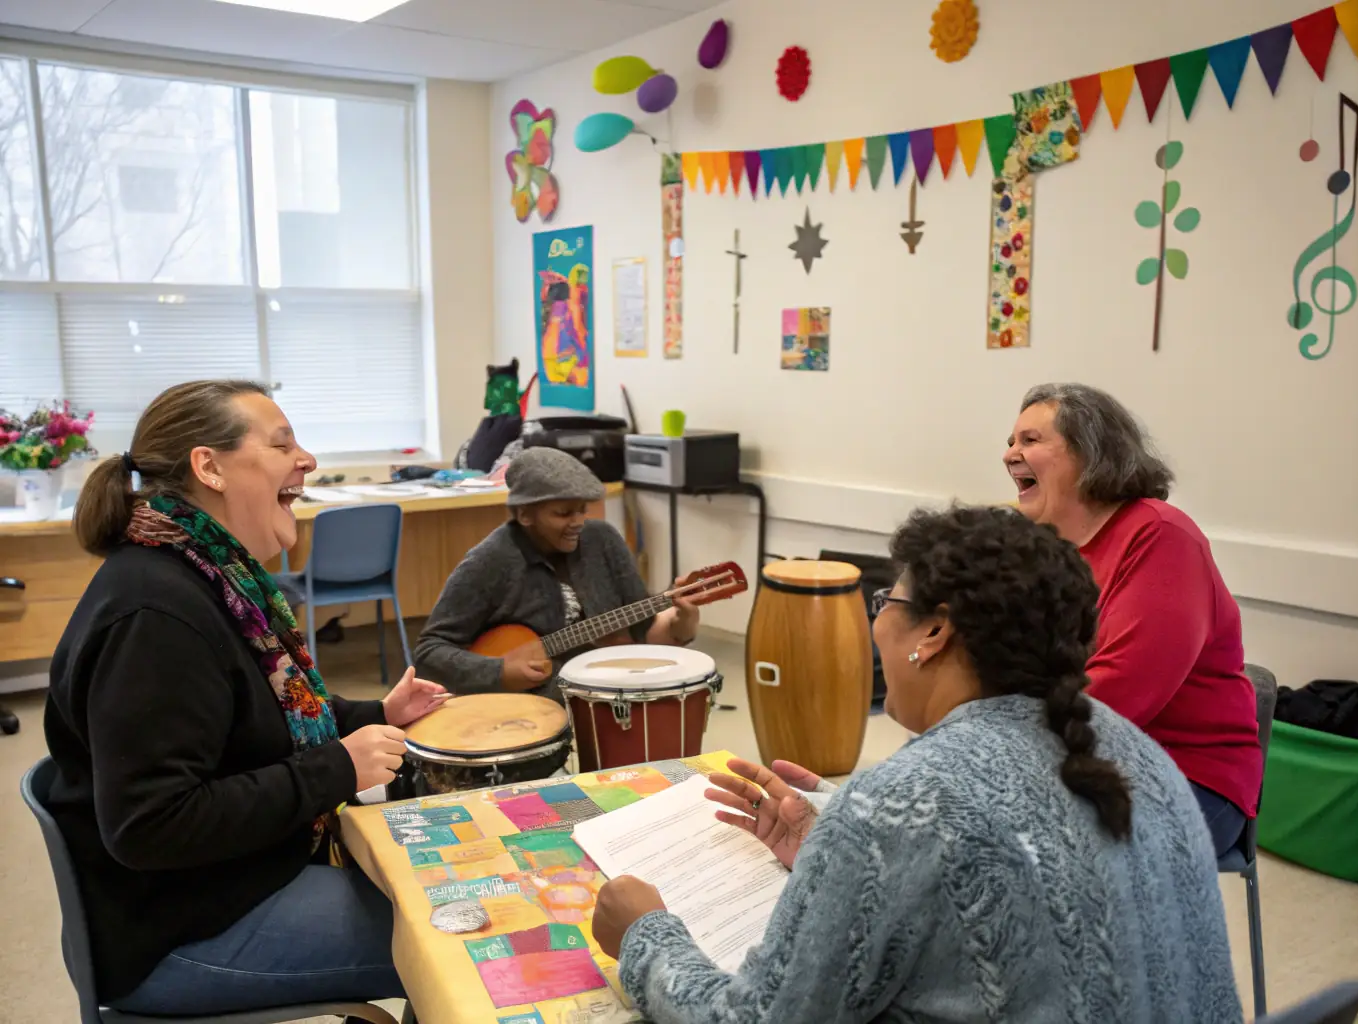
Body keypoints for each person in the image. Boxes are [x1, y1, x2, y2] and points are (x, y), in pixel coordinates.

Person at [591, 505, 1242, 1023]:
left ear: (934, 633)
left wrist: (647, 937)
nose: (877, 627)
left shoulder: (901, 806)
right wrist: (830, 834)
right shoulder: (1140, 754)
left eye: (886, 607)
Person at [45, 380, 448, 1015]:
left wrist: (376, 715)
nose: (307, 460)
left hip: (235, 880)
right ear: (209, 467)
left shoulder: (212, 574)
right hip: (181, 929)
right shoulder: (155, 614)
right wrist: (335, 768)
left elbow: (261, 717)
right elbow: (150, 825)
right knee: (463, 933)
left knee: (448, 894)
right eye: (282, 443)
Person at [1004, 382, 1262, 857]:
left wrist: (996, 736)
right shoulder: (1049, 546)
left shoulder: (1161, 536)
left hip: (1186, 777)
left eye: (1030, 440)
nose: (1010, 454)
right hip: (1084, 756)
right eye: (1011, 441)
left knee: (1009, 841)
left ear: (1089, 453)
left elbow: (1121, 691)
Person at [415, 447, 699, 699]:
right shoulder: (490, 561)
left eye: (582, 510)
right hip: (534, 704)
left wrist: (681, 621)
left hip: (606, 689)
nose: (577, 522)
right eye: (563, 513)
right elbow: (429, 651)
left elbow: (644, 632)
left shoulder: (603, 541)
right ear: (525, 515)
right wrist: (498, 671)